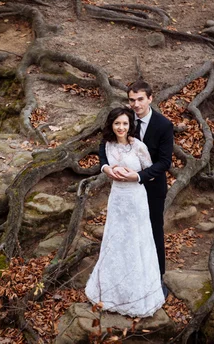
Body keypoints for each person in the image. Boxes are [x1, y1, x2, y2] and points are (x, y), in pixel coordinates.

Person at [85, 107, 165, 317]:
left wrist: (134, 175)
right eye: (117, 124)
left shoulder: (138, 146)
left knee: (135, 241)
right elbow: (103, 162)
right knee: (115, 239)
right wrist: (107, 170)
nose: (121, 127)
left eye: (125, 124)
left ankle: (137, 295)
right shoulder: (107, 145)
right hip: (117, 199)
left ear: (130, 126)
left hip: (136, 199)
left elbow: (151, 173)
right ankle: (111, 291)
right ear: (111, 125)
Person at [98, 81, 173, 283]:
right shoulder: (124, 119)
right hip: (124, 192)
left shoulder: (164, 125)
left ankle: (157, 277)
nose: (136, 104)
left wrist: (139, 176)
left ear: (150, 98)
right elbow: (104, 148)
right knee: (126, 230)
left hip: (152, 187)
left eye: (140, 99)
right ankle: (128, 274)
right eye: (132, 100)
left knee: (152, 229)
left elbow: (165, 162)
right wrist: (106, 168)